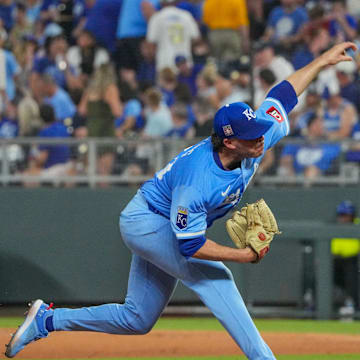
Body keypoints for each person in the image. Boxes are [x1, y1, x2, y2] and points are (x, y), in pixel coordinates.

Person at [5, 42, 357, 360]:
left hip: (161, 219)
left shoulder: (256, 134)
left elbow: (283, 94)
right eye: (251, 137)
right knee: (216, 277)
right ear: (229, 143)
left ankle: (48, 320)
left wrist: (323, 61)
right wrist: (243, 256)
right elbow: (189, 246)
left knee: (137, 318)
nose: (261, 139)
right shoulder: (199, 179)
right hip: (146, 222)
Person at [331, 200, 360, 313]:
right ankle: (314, 305)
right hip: (335, 261)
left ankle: (354, 306)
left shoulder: (357, 224)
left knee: (352, 274)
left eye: (346, 215)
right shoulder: (333, 226)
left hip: (353, 261)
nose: (343, 218)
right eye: (341, 215)